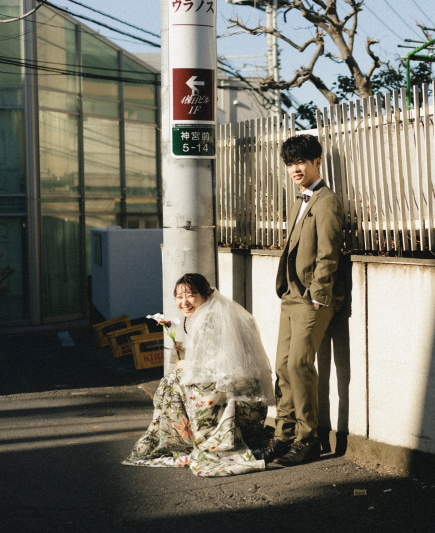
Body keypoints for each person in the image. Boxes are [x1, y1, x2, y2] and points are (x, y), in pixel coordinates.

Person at [122, 273, 274, 477]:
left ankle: (181, 440)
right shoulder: (215, 314)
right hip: (247, 395)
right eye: (178, 297)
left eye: (190, 295)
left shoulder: (209, 320)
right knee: (177, 377)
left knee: (173, 380)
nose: (183, 302)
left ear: (206, 295)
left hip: (238, 398)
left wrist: (186, 364)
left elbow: (221, 365)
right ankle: (186, 437)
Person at [263, 134, 345, 466]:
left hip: (313, 297)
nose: (295, 168)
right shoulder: (299, 200)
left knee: (298, 364)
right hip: (291, 295)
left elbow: (329, 252)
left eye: (301, 162)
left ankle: (307, 439)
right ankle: (283, 435)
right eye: (290, 163)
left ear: (317, 163)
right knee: (283, 367)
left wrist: (317, 295)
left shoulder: (326, 201)